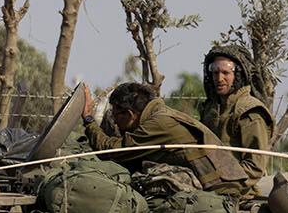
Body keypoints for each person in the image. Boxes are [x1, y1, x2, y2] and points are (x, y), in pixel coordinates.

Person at [79, 81, 235, 193]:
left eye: (115, 115)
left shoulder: (158, 123)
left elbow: (113, 150)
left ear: (130, 114)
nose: (114, 121)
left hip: (221, 190)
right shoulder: (158, 115)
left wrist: (89, 120)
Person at [196, 44, 274, 198]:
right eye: (215, 72)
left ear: (238, 75)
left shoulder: (250, 111)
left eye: (226, 73)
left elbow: (254, 167)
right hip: (207, 186)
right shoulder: (211, 108)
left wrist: (220, 183)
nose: (219, 79)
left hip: (237, 193)